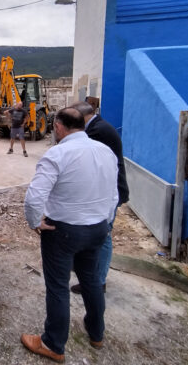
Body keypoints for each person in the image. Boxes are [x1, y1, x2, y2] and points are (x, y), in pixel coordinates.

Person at [21, 108, 118, 363]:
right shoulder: (105, 151)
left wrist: (34, 221)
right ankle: (97, 333)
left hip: (63, 232)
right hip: (97, 228)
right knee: (91, 281)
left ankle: (53, 343)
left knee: (57, 287)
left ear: (59, 127)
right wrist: (106, 221)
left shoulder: (58, 153)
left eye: (55, 127)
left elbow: (34, 197)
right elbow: (113, 193)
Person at [70, 101, 129, 294]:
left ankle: (97, 281)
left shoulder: (98, 131)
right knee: (95, 234)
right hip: (104, 191)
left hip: (108, 192)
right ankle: (90, 273)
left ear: (81, 117)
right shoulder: (97, 127)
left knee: (102, 237)